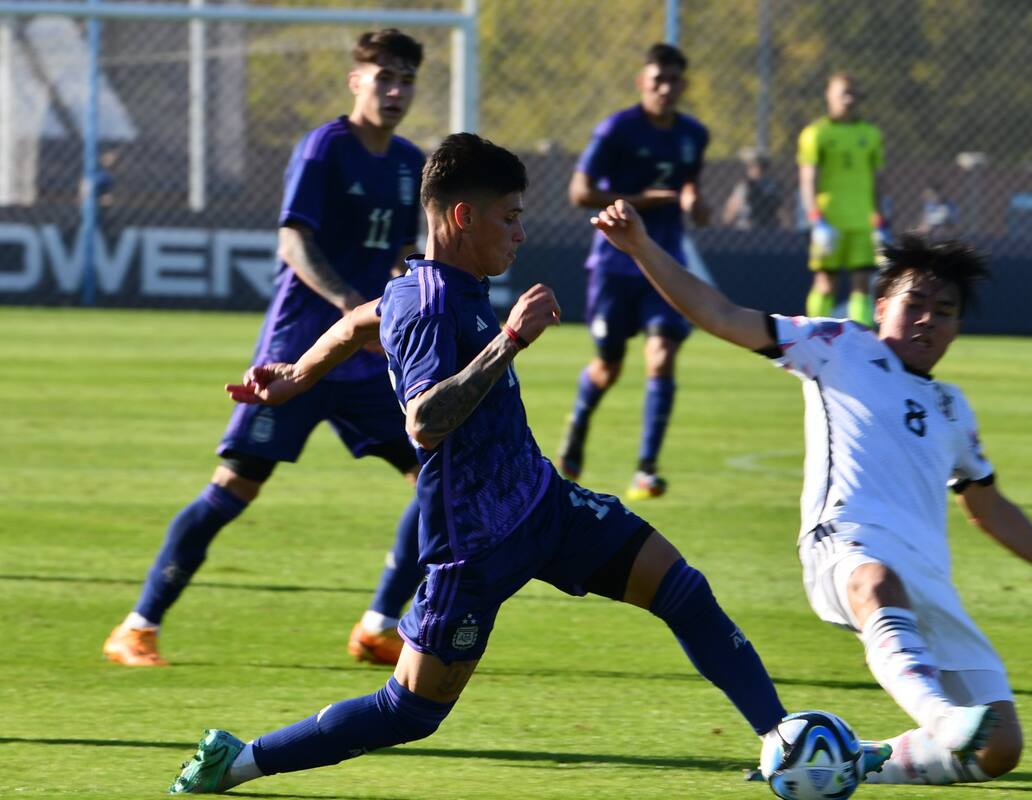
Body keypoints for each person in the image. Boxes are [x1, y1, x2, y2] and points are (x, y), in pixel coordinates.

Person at [166, 132, 842, 795]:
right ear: (462, 217)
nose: (521, 234)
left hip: (543, 505)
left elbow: (356, 324)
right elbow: (424, 422)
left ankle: (784, 740)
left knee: (683, 591)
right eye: (511, 218)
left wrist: (297, 377)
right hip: (474, 545)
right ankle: (240, 761)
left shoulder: (435, 285)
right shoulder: (431, 303)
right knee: (410, 712)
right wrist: (510, 341)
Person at [587, 199, 1032, 786]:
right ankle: (939, 717)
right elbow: (723, 314)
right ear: (882, 306)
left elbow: (987, 506)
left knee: (1000, 749)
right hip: (846, 546)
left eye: (945, 311)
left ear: (958, 327)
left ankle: (845, 762)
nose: (927, 320)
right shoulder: (839, 345)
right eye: (914, 303)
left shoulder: (952, 407)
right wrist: (642, 248)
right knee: (877, 586)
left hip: (927, 579)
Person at [103, 29, 428, 668]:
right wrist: (344, 304)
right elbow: (292, 241)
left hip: (365, 361)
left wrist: (401, 291)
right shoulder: (323, 149)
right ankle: (137, 627)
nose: (394, 91)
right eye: (383, 77)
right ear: (355, 80)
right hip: (294, 359)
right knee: (235, 489)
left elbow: (394, 253)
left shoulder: (409, 162)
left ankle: (378, 625)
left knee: (438, 475)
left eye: (406, 80)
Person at [557, 42, 711, 500]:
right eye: (656, 80)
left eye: (673, 81)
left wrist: (695, 205)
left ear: (683, 85)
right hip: (613, 264)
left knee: (661, 356)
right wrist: (644, 200)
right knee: (609, 366)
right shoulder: (618, 130)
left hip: (664, 265)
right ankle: (579, 425)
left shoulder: (693, 135)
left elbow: (690, 195)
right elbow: (580, 192)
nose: (664, 89)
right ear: (642, 82)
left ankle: (646, 468)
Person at [798, 72, 886, 328]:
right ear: (829, 96)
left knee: (862, 284)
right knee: (826, 282)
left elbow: (878, 179)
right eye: (842, 94)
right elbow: (808, 179)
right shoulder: (817, 133)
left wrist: (880, 219)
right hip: (830, 220)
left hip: (862, 221)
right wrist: (816, 219)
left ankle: (859, 342)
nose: (848, 100)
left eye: (852, 94)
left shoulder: (870, 133)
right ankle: (814, 335)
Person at [721, 147, 785, 230]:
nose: (755, 170)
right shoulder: (743, 186)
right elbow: (730, 211)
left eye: (758, 166)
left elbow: (780, 209)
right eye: (751, 167)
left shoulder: (771, 185)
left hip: (769, 227)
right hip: (747, 229)